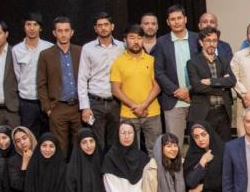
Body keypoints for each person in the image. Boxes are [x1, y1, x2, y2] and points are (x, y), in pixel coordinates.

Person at [111, 24, 162, 151]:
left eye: (139, 38)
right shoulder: (118, 62)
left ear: (143, 39)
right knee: (130, 151)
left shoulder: (152, 60)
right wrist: (135, 106)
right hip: (128, 114)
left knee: (155, 151)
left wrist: (143, 105)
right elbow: (115, 90)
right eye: (132, 38)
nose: (136, 41)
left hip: (151, 112)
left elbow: (157, 86)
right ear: (125, 40)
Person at [151, 5, 198, 145]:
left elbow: (203, 68)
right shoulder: (161, 42)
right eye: (173, 19)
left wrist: (189, 90)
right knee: (173, 145)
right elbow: (159, 72)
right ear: (168, 22)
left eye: (179, 18)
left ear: (185, 19)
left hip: (196, 99)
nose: (176, 22)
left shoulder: (197, 39)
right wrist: (178, 92)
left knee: (199, 143)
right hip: (173, 101)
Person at [78, 12, 123, 150]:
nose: (103, 28)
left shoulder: (122, 47)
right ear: (95, 28)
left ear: (112, 26)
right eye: (100, 25)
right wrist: (85, 107)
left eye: (106, 24)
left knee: (114, 143)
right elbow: (82, 79)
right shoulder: (88, 48)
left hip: (116, 102)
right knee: (97, 144)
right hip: (95, 102)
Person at [36, 17, 84, 149]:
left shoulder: (80, 51)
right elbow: (41, 84)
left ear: (72, 32)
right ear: (54, 33)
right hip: (57, 107)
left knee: (80, 145)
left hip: (78, 107)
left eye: (66, 30)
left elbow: (87, 78)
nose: (63, 34)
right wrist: (48, 109)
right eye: (60, 31)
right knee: (59, 147)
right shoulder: (46, 55)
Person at [188, 27, 237, 141]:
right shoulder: (192, 63)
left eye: (214, 40)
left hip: (223, 112)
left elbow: (231, 81)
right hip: (204, 113)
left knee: (224, 147)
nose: (212, 44)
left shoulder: (224, 61)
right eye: (208, 40)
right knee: (204, 147)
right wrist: (222, 87)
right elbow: (197, 87)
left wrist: (211, 81)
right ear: (201, 42)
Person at [13, 13, 53, 137]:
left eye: (35, 25)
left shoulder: (49, 47)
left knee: (48, 136)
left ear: (40, 28)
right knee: (28, 137)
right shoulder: (16, 50)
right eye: (28, 24)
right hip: (27, 102)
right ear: (24, 27)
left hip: (46, 101)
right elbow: (17, 75)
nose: (31, 28)